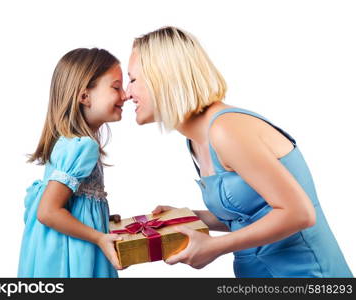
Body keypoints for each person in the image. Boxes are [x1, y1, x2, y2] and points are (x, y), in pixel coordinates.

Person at [126, 26, 353, 277]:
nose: (127, 93)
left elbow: (299, 214)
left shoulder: (226, 129)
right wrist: (186, 218)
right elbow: (251, 216)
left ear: (164, 77)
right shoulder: (194, 141)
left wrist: (214, 247)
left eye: (133, 79)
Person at [18, 48, 126, 277]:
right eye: (116, 87)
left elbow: (69, 204)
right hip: (72, 254)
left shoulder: (68, 142)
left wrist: (99, 217)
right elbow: (48, 211)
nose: (125, 95)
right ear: (84, 96)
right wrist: (98, 236)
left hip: (56, 249)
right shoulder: (83, 147)